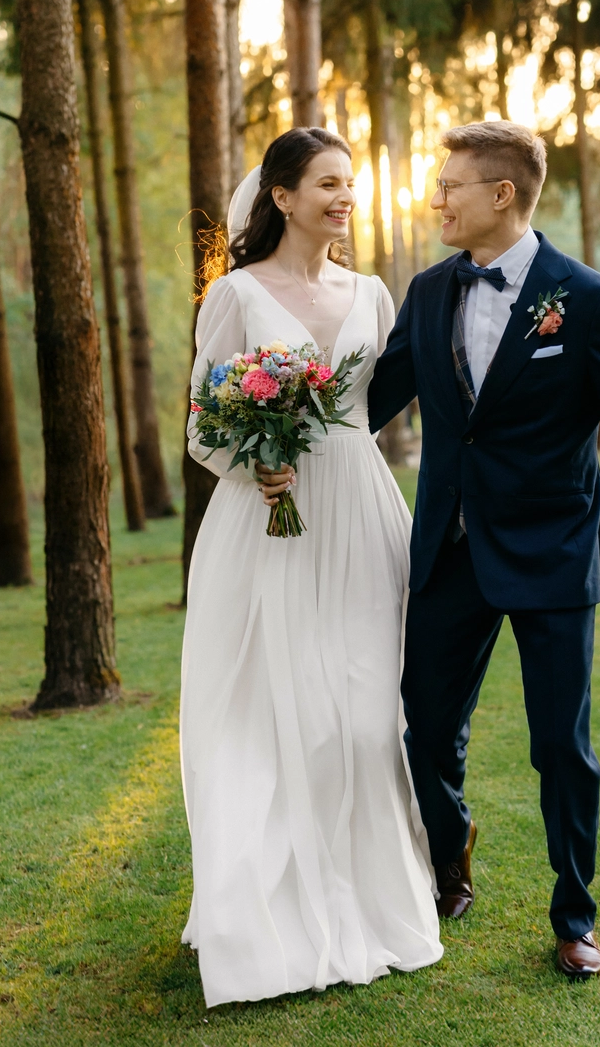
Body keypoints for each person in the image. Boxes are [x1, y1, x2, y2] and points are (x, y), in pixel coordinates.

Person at [365, 120, 600, 980]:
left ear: (502, 194)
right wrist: (274, 431)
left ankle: (575, 915)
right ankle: (450, 847)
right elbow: (368, 403)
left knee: (561, 745)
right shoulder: (428, 290)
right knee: (423, 729)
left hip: (554, 551)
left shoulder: (588, 299)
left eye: (450, 185)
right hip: (449, 551)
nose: (436, 199)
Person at [180, 127, 442, 1008]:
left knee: (366, 713)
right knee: (276, 712)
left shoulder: (373, 293)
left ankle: (371, 900)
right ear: (282, 197)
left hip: (362, 512)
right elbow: (200, 425)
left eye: (349, 183)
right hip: (269, 522)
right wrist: (251, 461)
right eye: (327, 183)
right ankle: (267, 918)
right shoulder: (236, 294)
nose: (344, 198)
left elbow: (395, 398)